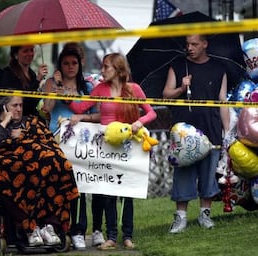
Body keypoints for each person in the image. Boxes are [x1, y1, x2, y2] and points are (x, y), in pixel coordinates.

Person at [68, 53, 157, 250]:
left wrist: (138, 122)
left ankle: (127, 235)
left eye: (106, 67)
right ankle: (111, 236)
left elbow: (151, 112)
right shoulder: (100, 88)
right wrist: (63, 94)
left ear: (118, 69)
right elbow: (80, 106)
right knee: (108, 193)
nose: (102, 70)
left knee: (128, 192)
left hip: (128, 146)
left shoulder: (134, 89)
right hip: (106, 147)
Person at [0, 96, 79, 247]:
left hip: (33, 170)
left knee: (57, 162)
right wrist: (4, 125)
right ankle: (29, 227)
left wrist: (24, 137)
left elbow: (46, 143)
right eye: (14, 105)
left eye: (21, 105)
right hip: (3, 167)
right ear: (4, 108)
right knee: (13, 171)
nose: (19, 109)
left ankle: (49, 226)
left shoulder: (30, 122)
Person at [163, 34, 230, 234]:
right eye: (187, 44)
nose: (190, 48)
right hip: (184, 133)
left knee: (209, 176)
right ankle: (180, 217)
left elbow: (223, 102)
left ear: (204, 44)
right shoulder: (177, 66)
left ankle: (205, 214)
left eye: (194, 44)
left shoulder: (219, 69)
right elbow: (166, 95)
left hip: (211, 129)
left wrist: (226, 132)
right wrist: (181, 88)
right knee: (183, 174)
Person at [41, 47, 96, 250]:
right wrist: (55, 86)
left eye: (74, 63)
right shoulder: (51, 83)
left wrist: (78, 110)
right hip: (56, 140)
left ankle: (79, 230)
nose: (71, 67)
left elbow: (95, 112)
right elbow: (46, 109)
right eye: (66, 63)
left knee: (79, 188)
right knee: (58, 187)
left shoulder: (87, 87)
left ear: (80, 64)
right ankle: (58, 228)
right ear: (60, 66)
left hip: (81, 142)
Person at [0, 45, 48, 116]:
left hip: (32, 116)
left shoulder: (32, 74)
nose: (30, 54)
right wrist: (38, 80)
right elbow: (23, 101)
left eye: (31, 50)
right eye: (25, 51)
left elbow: (33, 101)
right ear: (16, 54)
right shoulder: (8, 73)